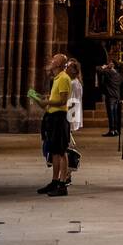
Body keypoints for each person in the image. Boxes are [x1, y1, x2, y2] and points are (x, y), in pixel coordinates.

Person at [33, 53, 72, 196]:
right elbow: (56, 99)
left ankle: (62, 184)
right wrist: (44, 99)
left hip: (60, 119)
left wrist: (47, 102)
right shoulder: (56, 78)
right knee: (54, 151)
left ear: (59, 64)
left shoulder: (63, 78)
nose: (51, 61)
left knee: (61, 151)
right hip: (53, 117)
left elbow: (62, 101)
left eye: (54, 59)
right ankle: (55, 181)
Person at [65, 59, 84, 184]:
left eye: (68, 66)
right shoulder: (75, 82)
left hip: (70, 116)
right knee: (67, 146)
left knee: (67, 148)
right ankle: (66, 174)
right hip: (72, 116)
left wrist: (68, 121)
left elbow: (72, 102)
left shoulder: (73, 83)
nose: (65, 68)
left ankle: (67, 174)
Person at [100, 59, 123, 137]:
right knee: (115, 114)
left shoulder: (109, 72)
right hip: (117, 96)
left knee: (111, 114)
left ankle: (112, 131)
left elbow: (99, 70)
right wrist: (122, 97)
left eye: (109, 63)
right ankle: (116, 130)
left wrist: (105, 67)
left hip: (110, 97)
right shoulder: (119, 74)